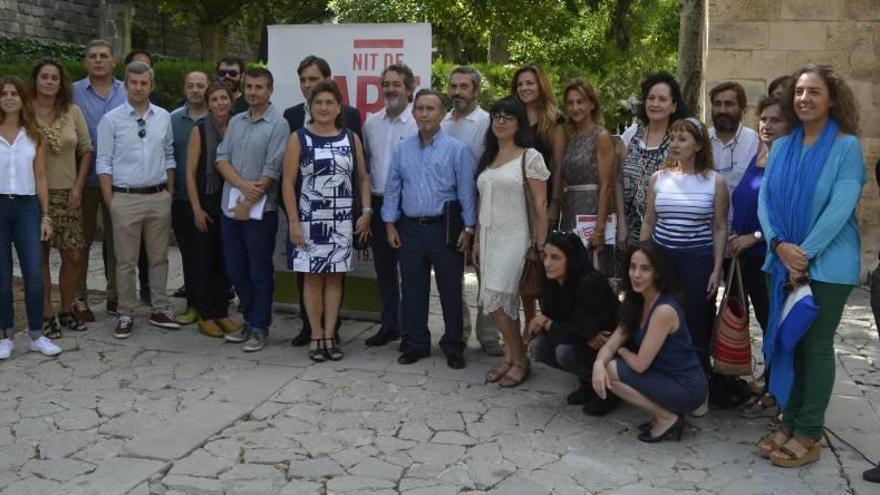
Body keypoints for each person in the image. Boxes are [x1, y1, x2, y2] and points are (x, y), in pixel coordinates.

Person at [757, 64, 865, 468]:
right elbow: (765, 202)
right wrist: (779, 245)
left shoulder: (847, 147)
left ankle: (809, 431)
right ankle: (790, 420)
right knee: (791, 344)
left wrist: (803, 253)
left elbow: (841, 206)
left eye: (814, 92)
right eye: (799, 91)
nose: (804, 98)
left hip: (829, 265)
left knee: (814, 346)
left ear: (831, 99)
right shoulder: (782, 145)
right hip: (784, 258)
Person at [382, 88, 476, 369]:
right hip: (409, 228)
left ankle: (453, 345)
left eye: (431, 109)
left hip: (444, 229)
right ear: (413, 113)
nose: (424, 114)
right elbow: (392, 188)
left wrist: (469, 228)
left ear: (442, 114)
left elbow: (466, 192)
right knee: (412, 289)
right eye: (420, 108)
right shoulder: (403, 148)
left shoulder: (458, 150)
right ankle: (416, 344)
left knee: (450, 289)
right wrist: (389, 223)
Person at [283, 80, 371, 362]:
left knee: (334, 279)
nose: (323, 107)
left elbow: (363, 178)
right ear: (310, 106)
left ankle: (330, 334)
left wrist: (367, 212)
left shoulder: (350, 138)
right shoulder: (299, 138)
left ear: (338, 107)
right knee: (311, 279)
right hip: (309, 220)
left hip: (342, 220)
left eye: (329, 103)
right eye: (318, 102)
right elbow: (287, 183)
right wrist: (294, 223)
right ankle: (315, 335)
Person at [641, 118, 728, 385]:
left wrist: (716, 269)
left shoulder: (715, 182)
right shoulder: (659, 178)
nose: (674, 144)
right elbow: (649, 220)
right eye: (673, 138)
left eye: (682, 139)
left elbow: (719, 227)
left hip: (696, 261)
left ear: (698, 145)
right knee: (659, 315)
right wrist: (641, 260)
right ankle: (663, 375)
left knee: (696, 320)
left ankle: (698, 381)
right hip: (662, 259)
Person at [592, 243, 708, 442]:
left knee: (611, 370)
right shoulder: (637, 302)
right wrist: (597, 364)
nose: (636, 274)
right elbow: (609, 345)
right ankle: (664, 414)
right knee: (605, 368)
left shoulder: (664, 310)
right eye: (632, 267)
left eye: (645, 269)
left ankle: (666, 416)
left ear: (658, 273)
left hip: (687, 387)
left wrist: (620, 351)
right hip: (665, 377)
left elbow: (639, 364)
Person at [96, 61, 179, 338]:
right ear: (126, 84)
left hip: (157, 196)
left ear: (151, 85)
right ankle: (125, 312)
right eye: (134, 82)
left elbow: (169, 155)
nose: (139, 88)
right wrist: (111, 202)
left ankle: (160, 307)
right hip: (125, 198)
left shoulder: (163, 117)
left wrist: (169, 192)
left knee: (159, 258)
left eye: (144, 83)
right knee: (125, 261)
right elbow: (104, 162)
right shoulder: (111, 120)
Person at [476, 97, 549, 387]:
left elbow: (541, 205)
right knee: (501, 304)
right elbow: (484, 201)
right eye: (496, 116)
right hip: (489, 237)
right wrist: (478, 242)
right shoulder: (489, 156)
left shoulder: (530, 157)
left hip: (517, 239)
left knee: (496, 302)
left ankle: (521, 360)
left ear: (519, 123)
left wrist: (541, 246)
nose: (501, 121)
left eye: (508, 116)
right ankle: (510, 357)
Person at [215, 67, 289, 352]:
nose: (253, 92)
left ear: (269, 90)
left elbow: (272, 169)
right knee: (236, 270)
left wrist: (248, 201)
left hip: (260, 213)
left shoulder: (278, 125)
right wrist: (242, 188)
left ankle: (259, 326)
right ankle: (247, 318)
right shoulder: (235, 122)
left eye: (259, 87)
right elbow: (221, 159)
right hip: (230, 209)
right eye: (249, 87)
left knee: (259, 271)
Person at [734, 96, 791, 419]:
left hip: (768, 256)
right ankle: (770, 384)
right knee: (763, 326)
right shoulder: (760, 153)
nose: (767, 125)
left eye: (775, 120)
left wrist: (753, 236)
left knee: (774, 326)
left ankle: (777, 394)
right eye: (764, 119)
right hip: (747, 257)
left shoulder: (784, 162)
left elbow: (781, 215)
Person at [0, 76, 62, 359]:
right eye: (4, 93)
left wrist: (45, 216)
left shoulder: (34, 134)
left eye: (15, 93)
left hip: (26, 208)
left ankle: (37, 335)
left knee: (34, 274)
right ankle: (6, 336)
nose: (9, 98)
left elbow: (40, 178)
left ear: (23, 99)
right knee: (1, 276)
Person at [30, 60, 93, 338]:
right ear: (36, 80)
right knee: (39, 256)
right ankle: (46, 313)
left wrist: (79, 186)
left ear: (61, 82)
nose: (49, 82)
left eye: (54, 77)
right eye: (44, 77)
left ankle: (66, 309)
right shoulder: (24, 111)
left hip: (68, 193)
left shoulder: (73, 111)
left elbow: (86, 150)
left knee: (74, 255)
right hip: (33, 194)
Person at [440, 65, 500, 357]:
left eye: (464, 87)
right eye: (453, 86)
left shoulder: (489, 122)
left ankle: (489, 336)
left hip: (482, 203)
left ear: (476, 90)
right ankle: (459, 331)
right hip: (450, 209)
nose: (457, 93)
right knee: (452, 274)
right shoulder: (442, 121)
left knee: (485, 273)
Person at [527, 231, 619, 415]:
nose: (547, 263)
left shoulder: (589, 283)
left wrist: (546, 323)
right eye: (545, 256)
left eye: (555, 258)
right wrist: (550, 325)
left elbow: (580, 330)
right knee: (538, 347)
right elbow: (567, 327)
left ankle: (610, 392)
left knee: (565, 351)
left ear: (571, 259)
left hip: (612, 348)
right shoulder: (551, 281)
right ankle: (588, 383)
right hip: (585, 339)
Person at [362, 63, 417, 348]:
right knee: (384, 270)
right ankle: (389, 325)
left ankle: (411, 330)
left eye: (396, 84)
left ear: (409, 89)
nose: (390, 89)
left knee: (410, 271)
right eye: (386, 84)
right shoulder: (371, 122)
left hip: (409, 204)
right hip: (380, 201)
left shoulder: (419, 121)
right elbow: (367, 165)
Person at [71, 39, 126, 321]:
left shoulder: (128, 91)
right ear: (85, 62)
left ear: (113, 61)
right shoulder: (72, 93)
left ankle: (116, 297)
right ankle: (78, 299)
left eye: (104, 56)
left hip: (120, 182)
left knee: (118, 244)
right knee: (80, 243)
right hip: (83, 180)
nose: (99, 60)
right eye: (92, 56)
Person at [510, 63, 565, 327]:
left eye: (530, 82)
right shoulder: (513, 118)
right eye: (520, 84)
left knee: (544, 267)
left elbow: (558, 165)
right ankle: (528, 327)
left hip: (542, 205)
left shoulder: (553, 119)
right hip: (516, 203)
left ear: (540, 84)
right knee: (525, 270)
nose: (524, 88)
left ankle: (547, 324)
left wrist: (554, 204)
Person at [185, 81, 238, 338]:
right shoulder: (200, 130)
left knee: (224, 262)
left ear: (231, 100)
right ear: (208, 104)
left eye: (224, 98)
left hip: (230, 202)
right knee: (203, 262)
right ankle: (205, 315)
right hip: (205, 202)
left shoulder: (238, 126)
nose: (220, 103)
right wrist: (195, 208)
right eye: (215, 99)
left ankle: (221, 312)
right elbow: (190, 172)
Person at [621, 72, 689, 247]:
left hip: (666, 232)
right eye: (651, 98)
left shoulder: (680, 140)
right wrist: (621, 224)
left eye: (662, 99)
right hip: (630, 230)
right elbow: (617, 181)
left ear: (673, 106)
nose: (655, 104)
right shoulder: (631, 135)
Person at [559, 78, 616, 275]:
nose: (575, 107)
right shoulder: (569, 136)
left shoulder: (600, 136)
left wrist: (599, 230)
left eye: (580, 101)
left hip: (592, 211)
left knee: (591, 274)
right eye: (570, 103)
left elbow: (606, 185)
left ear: (592, 104)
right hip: (570, 211)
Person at [169, 71, 209, 326]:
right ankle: (193, 303)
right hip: (180, 199)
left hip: (210, 198)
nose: (195, 90)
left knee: (209, 256)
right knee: (188, 254)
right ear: (184, 89)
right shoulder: (172, 119)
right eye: (190, 86)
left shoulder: (218, 117)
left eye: (200, 86)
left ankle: (211, 304)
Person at [708, 82, 760, 202]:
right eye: (717, 104)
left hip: (740, 218)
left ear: (742, 109)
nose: (722, 110)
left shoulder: (755, 143)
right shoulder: (700, 140)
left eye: (729, 104)